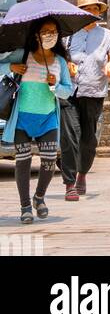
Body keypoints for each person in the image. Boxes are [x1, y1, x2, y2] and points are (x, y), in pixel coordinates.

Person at [0, 19, 74, 224]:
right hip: (22, 119)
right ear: (36, 35)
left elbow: (68, 92)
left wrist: (55, 85)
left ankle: (39, 197)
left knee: (49, 161)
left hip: (49, 118)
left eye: (54, 31)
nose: (51, 34)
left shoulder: (60, 62)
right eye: (46, 31)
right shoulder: (23, 55)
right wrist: (10, 66)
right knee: (22, 163)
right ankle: (25, 206)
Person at [59, 0, 110, 200]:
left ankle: (82, 173)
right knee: (70, 136)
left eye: (93, 9)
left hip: (93, 91)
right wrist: (67, 65)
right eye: (85, 9)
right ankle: (69, 183)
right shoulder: (68, 35)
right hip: (69, 91)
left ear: (98, 12)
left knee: (88, 138)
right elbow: (61, 58)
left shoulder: (106, 35)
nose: (90, 12)